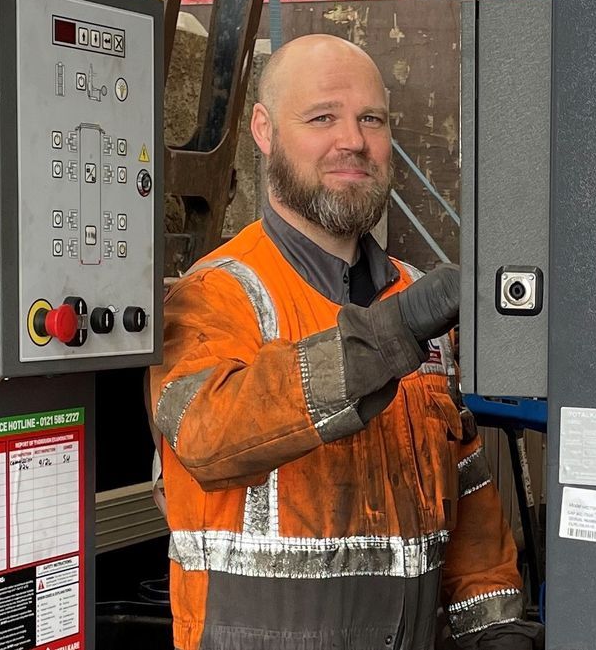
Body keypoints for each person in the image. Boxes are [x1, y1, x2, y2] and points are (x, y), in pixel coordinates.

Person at [149, 34, 539, 650]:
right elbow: (207, 435)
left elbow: (466, 491)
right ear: (264, 129)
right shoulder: (215, 295)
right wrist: (396, 330)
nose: (352, 140)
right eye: (322, 117)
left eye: (371, 120)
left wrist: (496, 630)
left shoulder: (412, 297)